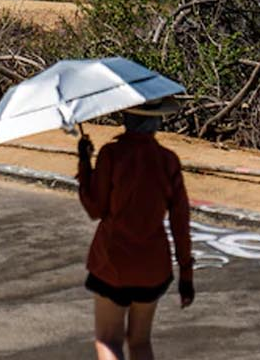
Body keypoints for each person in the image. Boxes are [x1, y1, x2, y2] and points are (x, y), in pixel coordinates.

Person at [76, 101, 194, 360]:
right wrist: (186, 274)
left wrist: (85, 164)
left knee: (108, 340)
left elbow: (95, 208)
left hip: (112, 262)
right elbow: (180, 223)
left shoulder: (111, 155)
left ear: (127, 119)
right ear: (156, 121)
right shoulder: (168, 161)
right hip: (152, 266)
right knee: (140, 342)